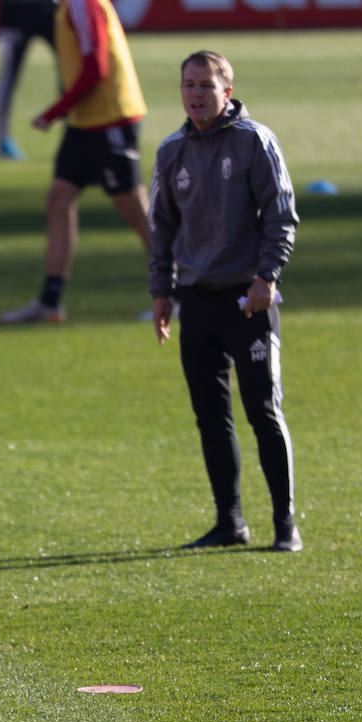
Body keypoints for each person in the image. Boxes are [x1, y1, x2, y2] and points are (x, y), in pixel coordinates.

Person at [148, 51, 301, 552]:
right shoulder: (171, 152)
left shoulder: (255, 142)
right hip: (197, 302)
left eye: (205, 86)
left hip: (249, 302)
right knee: (211, 417)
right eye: (188, 85)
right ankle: (229, 522)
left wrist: (266, 278)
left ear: (227, 92)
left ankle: (285, 524)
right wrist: (162, 292)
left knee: (263, 411)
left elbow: (281, 216)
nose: (195, 94)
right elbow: (162, 228)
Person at [0, 0, 149, 324]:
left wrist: (55, 111)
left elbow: (96, 68)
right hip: (87, 119)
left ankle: (181, 294)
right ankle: (50, 302)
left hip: (109, 117)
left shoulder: (82, 4)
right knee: (59, 199)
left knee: (134, 208)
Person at [0, 0, 57, 161]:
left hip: (48, 7)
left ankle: (76, 132)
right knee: (9, 75)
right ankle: (2, 140)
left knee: (70, 69)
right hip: (15, 10)